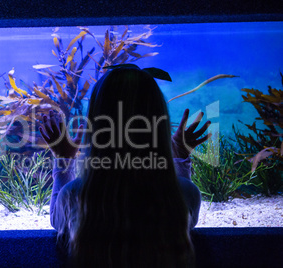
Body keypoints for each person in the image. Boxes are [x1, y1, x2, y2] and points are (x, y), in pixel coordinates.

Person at [39, 66, 211, 267]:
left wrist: (63, 159)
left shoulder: (75, 194)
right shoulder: (185, 193)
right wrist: (181, 157)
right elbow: (185, 220)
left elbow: (56, 221)